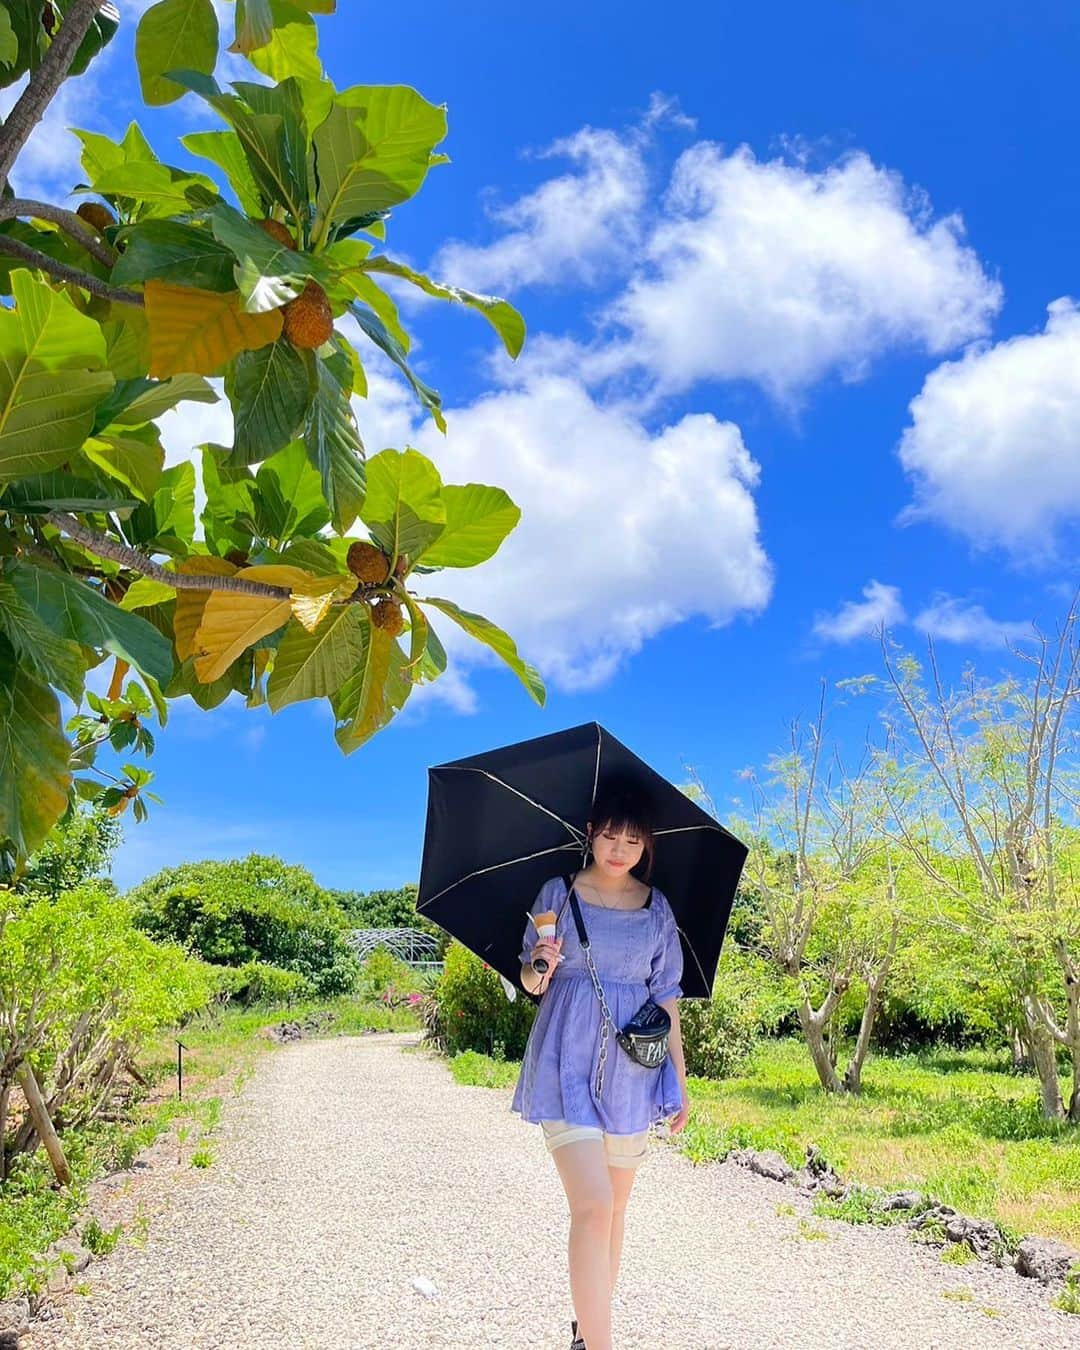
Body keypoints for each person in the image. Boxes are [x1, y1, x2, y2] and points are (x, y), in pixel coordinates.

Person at [509, 778, 690, 1350]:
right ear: (590, 835)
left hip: (634, 1071)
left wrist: (680, 1082)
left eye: (632, 841)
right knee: (593, 1204)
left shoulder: (657, 907)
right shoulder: (556, 894)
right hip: (567, 1060)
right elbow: (531, 983)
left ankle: (587, 1334)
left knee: (614, 1213)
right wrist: (541, 962)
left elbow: (666, 997)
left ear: (646, 847)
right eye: (610, 836)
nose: (619, 850)